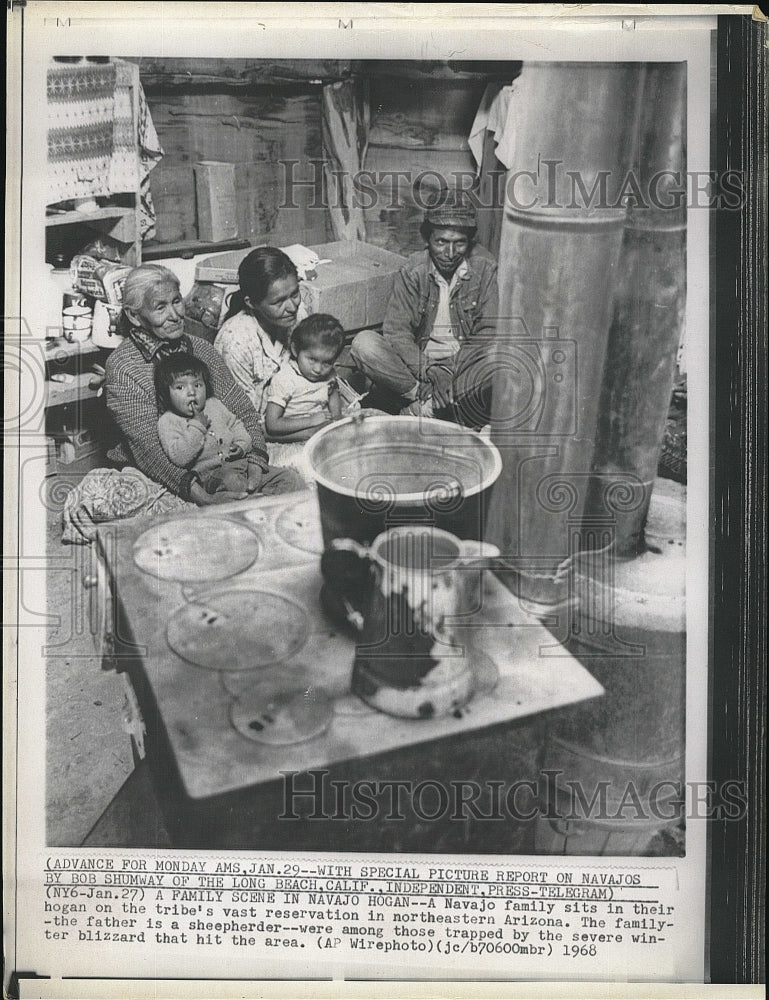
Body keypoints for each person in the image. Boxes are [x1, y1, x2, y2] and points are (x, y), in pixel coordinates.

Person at [105, 263, 301, 506]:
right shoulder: (124, 367)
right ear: (134, 316)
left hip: (224, 460)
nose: (176, 315)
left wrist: (257, 463)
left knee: (293, 487)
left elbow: (243, 412)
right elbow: (149, 452)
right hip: (166, 472)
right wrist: (204, 498)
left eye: (177, 301)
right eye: (160, 307)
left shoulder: (201, 350)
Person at [350, 191, 499, 427]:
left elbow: (488, 332)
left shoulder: (485, 268)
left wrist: (448, 371)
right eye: (441, 242)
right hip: (419, 367)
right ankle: (431, 402)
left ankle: (419, 411)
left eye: (459, 243)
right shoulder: (413, 270)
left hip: (461, 369)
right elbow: (397, 332)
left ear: (469, 242)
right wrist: (429, 371)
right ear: (427, 238)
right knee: (364, 344)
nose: (450, 254)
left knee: (498, 356)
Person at [214, 246, 309, 418]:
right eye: (278, 302)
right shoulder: (236, 342)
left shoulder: (299, 315)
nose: (292, 307)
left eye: (295, 294)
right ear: (251, 303)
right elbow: (245, 422)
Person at [155, 353, 264, 497]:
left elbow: (236, 425)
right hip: (209, 477)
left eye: (197, 385)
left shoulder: (214, 404)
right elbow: (179, 457)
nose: (192, 392)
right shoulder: (168, 421)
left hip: (240, 464)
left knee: (288, 478)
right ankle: (252, 500)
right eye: (180, 387)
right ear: (165, 394)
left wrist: (241, 446)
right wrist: (197, 427)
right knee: (233, 482)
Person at [264, 314, 345, 443]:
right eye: (312, 359)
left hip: (320, 426)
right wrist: (310, 421)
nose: (318, 369)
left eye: (327, 362)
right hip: (290, 434)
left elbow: (333, 391)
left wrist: (337, 416)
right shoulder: (285, 379)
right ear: (295, 350)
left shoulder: (329, 374)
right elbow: (272, 424)